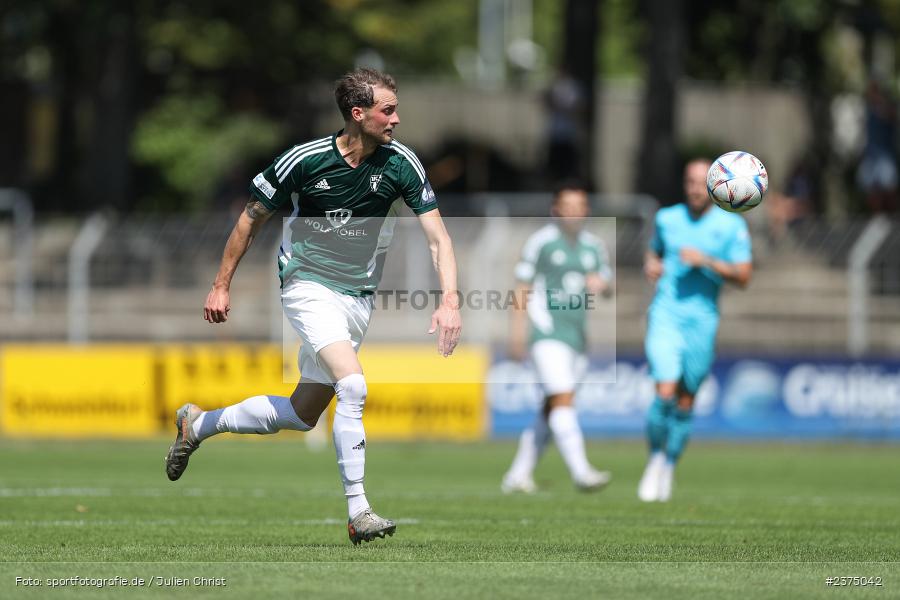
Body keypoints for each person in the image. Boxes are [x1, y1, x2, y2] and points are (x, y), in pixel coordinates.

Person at [164, 68, 462, 544]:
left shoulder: (402, 163)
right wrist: (221, 284)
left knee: (303, 413)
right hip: (306, 284)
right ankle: (359, 511)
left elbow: (438, 238)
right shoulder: (303, 161)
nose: (397, 119)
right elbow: (249, 220)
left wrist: (450, 302)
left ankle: (198, 423)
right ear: (357, 113)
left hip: (358, 298)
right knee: (354, 384)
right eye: (388, 109)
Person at [638, 158, 752, 502]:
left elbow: (744, 276)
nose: (693, 189)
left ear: (715, 185)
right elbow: (654, 252)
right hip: (665, 314)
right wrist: (651, 264)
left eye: (700, 183)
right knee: (664, 390)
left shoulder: (731, 226)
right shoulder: (667, 218)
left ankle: (670, 463)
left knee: (686, 400)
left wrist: (707, 262)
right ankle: (655, 459)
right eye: (689, 181)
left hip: (702, 321)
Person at [501, 182, 613, 493]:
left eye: (580, 206)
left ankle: (517, 476)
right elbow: (522, 288)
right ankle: (582, 472)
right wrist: (517, 334)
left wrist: (602, 285)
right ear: (556, 210)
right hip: (546, 333)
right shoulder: (542, 243)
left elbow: (608, 284)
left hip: (577, 338)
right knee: (563, 399)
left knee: (552, 408)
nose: (575, 212)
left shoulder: (594, 246)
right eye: (568, 206)